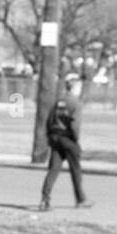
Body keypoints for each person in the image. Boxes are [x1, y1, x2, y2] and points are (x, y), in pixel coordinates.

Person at [39, 75, 92, 211]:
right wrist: (75, 140)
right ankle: (80, 200)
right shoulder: (75, 103)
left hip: (55, 138)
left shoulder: (58, 102)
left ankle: (45, 199)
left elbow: (49, 120)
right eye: (79, 87)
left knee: (53, 170)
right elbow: (75, 125)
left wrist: (50, 136)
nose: (80, 90)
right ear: (74, 88)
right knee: (75, 170)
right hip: (67, 139)